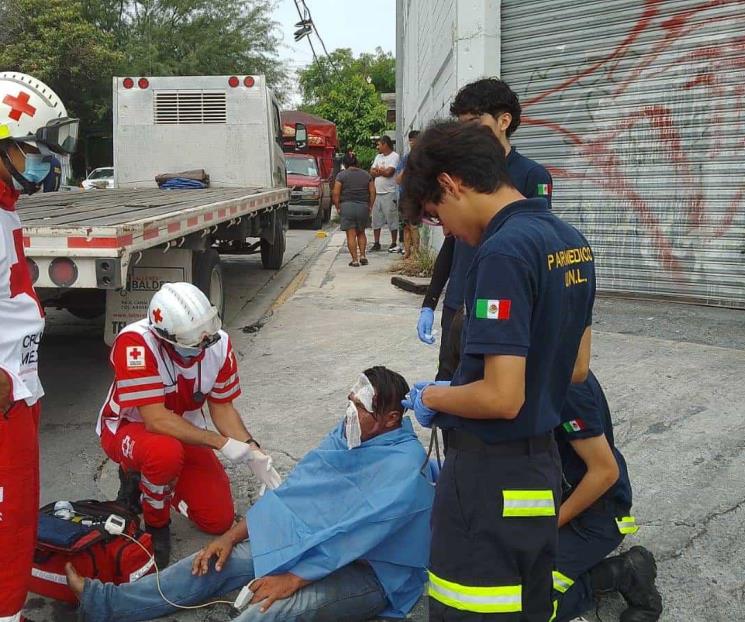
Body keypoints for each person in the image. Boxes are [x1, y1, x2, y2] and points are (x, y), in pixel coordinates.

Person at [402, 120, 595, 621]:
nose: (443, 229)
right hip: (540, 473)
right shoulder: (570, 241)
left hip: (489, 479)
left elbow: (500, 397)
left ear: (451, 183)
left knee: (472, 610)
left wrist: (435, 397)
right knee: (530, 607)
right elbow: (576, 368)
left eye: (434, 213)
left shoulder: (503, 252)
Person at [66, 366, 435, 622]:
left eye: (360, 408)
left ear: (390, 419)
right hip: (313, 545)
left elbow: (356, 537)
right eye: (350, 402)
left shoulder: (405, 467)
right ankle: (106, 603)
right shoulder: (347, 436)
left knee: (272, 611)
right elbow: (292, 494)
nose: (349, 414)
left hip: (369, 572)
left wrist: (291, 578)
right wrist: (228, 539)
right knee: (211, 561)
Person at [97, 282, 280, 568]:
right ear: (164, 337)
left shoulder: (218, 344)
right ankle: (155, 522)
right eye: (193, 345)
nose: (202, 349)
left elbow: (222, 409)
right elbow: (155, 419)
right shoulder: (135, 343)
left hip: (183, 432)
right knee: (164, 453)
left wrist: (251, 449)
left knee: (216, 518)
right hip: (129, 429)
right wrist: (220, 443)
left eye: (206, 341)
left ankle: (157, 482)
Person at [0, 71, 80, 622]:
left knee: (19, 511)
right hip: (5, 390)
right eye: (34, 150)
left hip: (18, 383)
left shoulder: (6, 207)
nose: (45, 162)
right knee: (10, 514)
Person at [417, 78, 554, 381]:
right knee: (446, 384)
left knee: (487, 388)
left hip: (499, 307)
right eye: (461, 125)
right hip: (459, 301)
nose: (467, 134)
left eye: (475, 123)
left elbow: (537, 250)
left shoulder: (532, 175)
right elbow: (452, 244)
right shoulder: (459, 174)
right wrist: (430, 302)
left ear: (504, 121)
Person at [553, 371, 662, 622]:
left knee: (524, 606)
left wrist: (547, 526)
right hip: (560, 501)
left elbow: (604, 472)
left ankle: (622, 573)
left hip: (595, 516)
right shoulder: (533, 368)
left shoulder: (567, 385)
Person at [333, 152, 375, 266]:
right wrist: (370, 206)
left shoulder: (341, 175)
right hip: (363, 207)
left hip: (347, 207)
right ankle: (363, 255)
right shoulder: (367, 175)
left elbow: (336, 193)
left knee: (351, 235)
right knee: (361, 232)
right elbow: (372, 192)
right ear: (357, 162)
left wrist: (338, 207)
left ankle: (355, 260)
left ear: (345, 163)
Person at [369, 135, 400, 252]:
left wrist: (380, 170)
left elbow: (389, 172)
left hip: (389, 193)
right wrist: (381, 171)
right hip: (377, 193)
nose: (377, 147)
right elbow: (371, 172)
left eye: (379, 144)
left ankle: (393, 242)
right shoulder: (378, 156)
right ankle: (377, 242)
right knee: (376, 220)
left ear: (385, 144)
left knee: (392, 218)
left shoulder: (394, 156)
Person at [395, 130, 421, 259]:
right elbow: (398, 179)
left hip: (416, 196)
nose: (413, 143)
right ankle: (407, 252)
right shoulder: (406, 158)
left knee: (414, 226)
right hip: (405, 195)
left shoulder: (424, 158)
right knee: (405, 226)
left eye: (415, 140)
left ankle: (416, 252)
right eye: (411, 140)